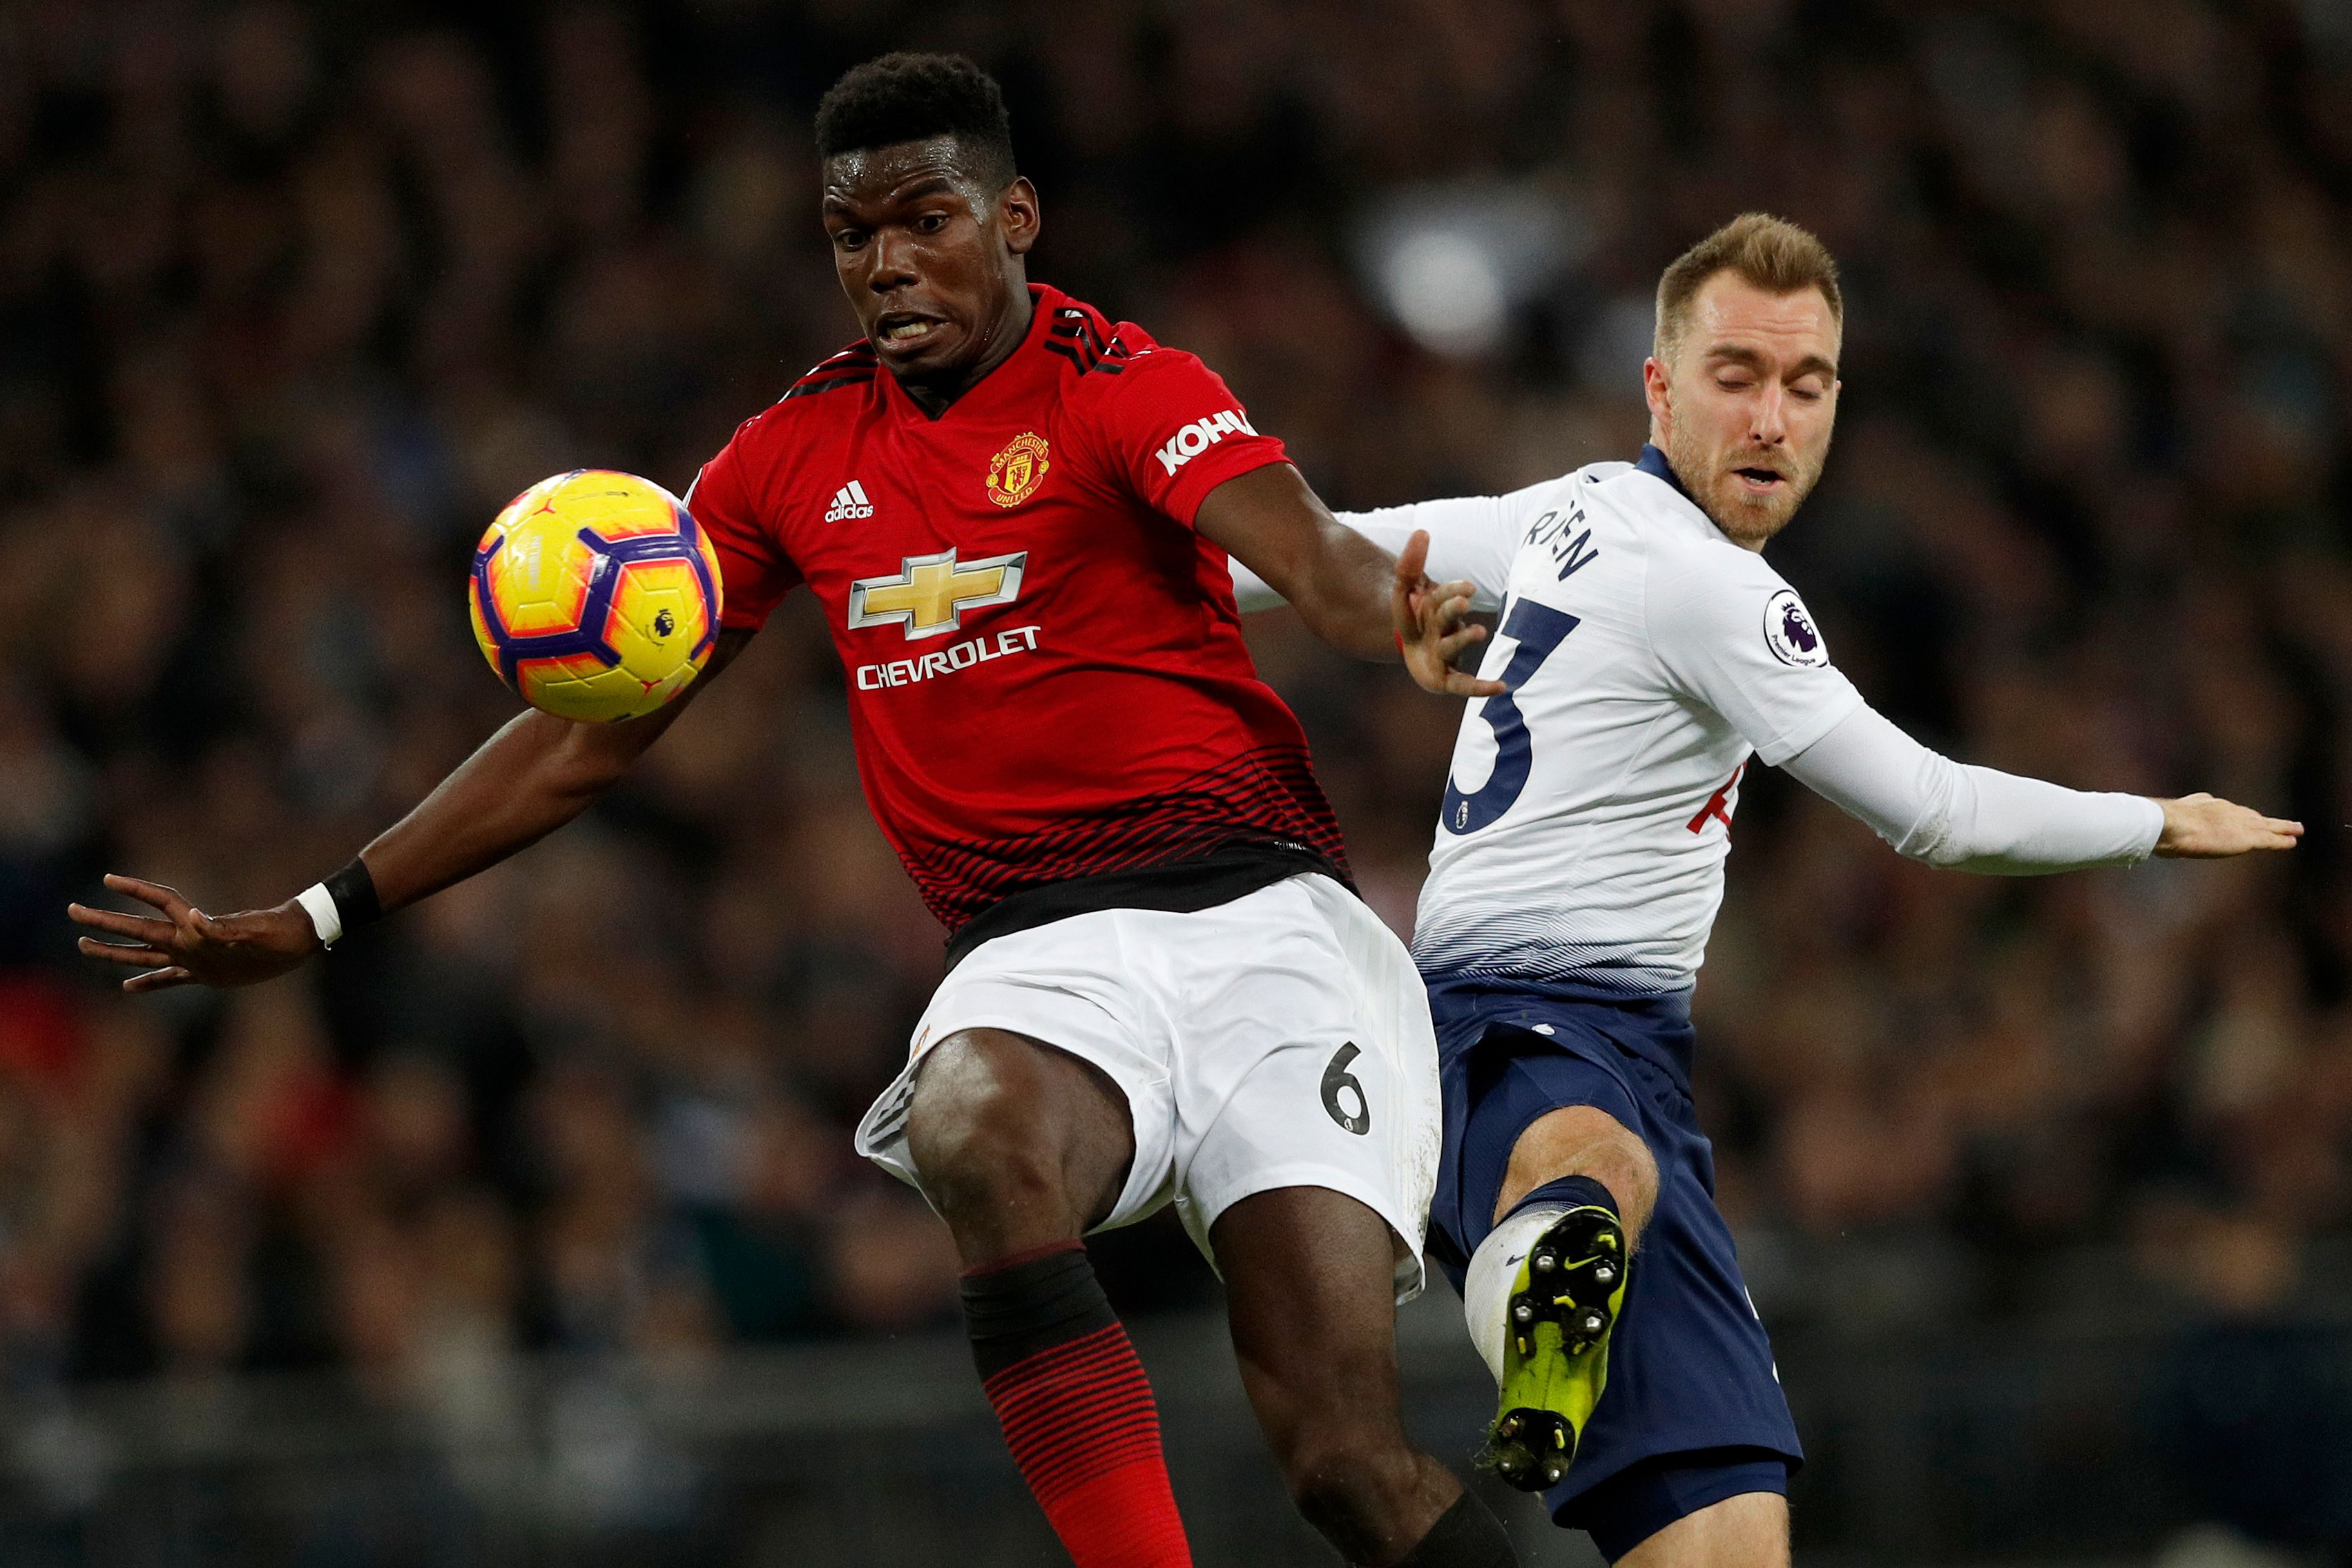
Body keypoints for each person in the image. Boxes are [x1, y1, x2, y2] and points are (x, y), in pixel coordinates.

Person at [67, 52, 1520, 1568]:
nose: (885, 262)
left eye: (924, 218)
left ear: (1014, 215)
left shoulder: (1126, 386)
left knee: (1346, 1465)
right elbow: (585, 739)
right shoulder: (783, 460)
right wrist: (321, 909)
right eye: (850, 234)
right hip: (1039, 949)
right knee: (974, 1118)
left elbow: (1322, 562)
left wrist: (1391, 621)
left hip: (1265, 924)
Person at [1234, 212, 2302, 1567]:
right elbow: (1931, 810)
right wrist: (2151, 819)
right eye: (1735, 375)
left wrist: (1093, 573)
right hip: (1514, 1024)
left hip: (1620, 1056)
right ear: (1659, 386)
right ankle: (1535, 1295)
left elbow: (1326, 547)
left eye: (1804, 387)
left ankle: (1552, 1291)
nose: (1770, 417)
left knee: (1728, 1535)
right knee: (1587, 1166)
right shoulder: (1711, 590)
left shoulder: (1556, 517)